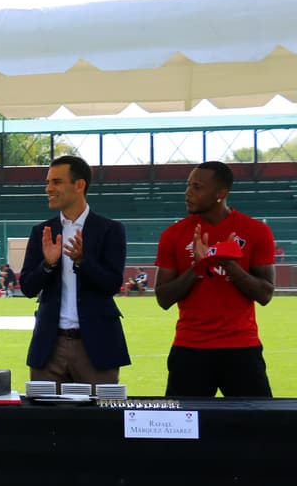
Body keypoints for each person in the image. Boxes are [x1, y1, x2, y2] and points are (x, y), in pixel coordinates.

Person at [154, 161, 275, 397]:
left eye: (197, 187)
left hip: (242, 348)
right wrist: (199, 267)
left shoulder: (256, 231)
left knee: (258, 428)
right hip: (190, 348)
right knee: (182, 430)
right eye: (188, 185)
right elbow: (163, 298)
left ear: (220, 194)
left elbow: (265, 294)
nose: (188, 193)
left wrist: (229, 264)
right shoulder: (173, 235)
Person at [19, 156, 130, 388]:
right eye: (48, 182)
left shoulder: (110, 230)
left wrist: (82, 262)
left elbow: (112, 284)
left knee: (99, 421)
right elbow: (28, 287)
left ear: (79, 185)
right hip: (49, 346)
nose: (49, 188)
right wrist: (47, 265)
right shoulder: (42, 231)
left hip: (96, 347)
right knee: (46, 420)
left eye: (57, 182)